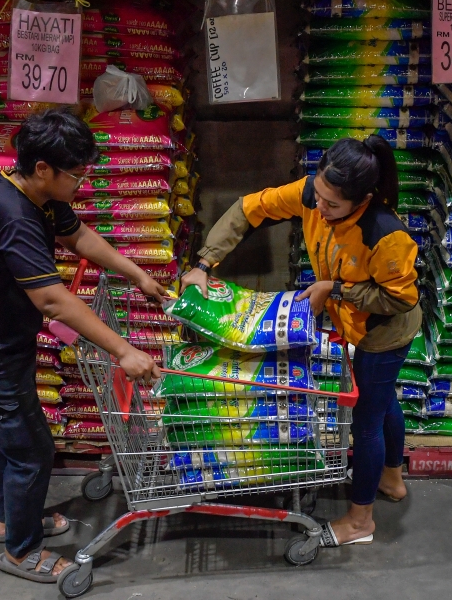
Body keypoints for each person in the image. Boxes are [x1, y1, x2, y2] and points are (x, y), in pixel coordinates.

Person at [0, 109, 166, 584]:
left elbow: (77, 235)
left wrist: (137, 273)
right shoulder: (14, 215)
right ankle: (21, 551)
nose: (80, 183)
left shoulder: (35, 195)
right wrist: (123, 350)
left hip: (0, 341)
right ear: (43, 169)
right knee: (31, 448)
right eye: (76, 175)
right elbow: (52, 301)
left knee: (10, 434)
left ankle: (9, 519)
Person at [180, 135, 420, 547]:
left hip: (383, 333)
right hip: (355, 323)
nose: (318, 208)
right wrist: (203, 263)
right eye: (319, 196)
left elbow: (400, 298)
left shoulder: (383, 233)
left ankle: (361, 520)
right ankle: (392, 480)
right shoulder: (313, 193)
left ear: (361, 200)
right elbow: (248, 209)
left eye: (332, 205)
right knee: (384, 403)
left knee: (365, 424)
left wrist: (337, 289)